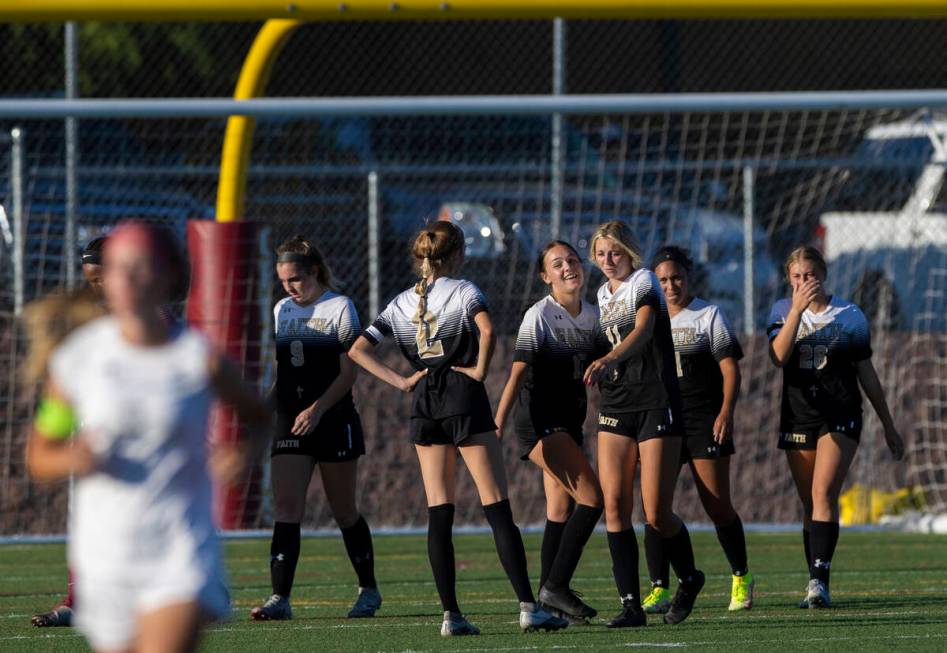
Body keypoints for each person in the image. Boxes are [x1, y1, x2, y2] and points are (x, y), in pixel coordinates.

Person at [25, 222, 270, 653]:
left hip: (179, 549)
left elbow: (260, 416)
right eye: (119, 268)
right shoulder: (78, 358)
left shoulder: (199, 357)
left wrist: (244, 453)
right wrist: (72, 458)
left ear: (169, 275)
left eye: (142, 266)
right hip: (107, 553)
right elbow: (40, 456)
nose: (128, 278)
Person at [348, 221, 567, 636]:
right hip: (462, 395)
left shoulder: (399, 302)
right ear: (458, 254)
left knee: (439, 512)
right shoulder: (466, 290)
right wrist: (481, 371)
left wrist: (401, 381)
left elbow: (358, 349)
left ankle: (451, 615)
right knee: (496, 506)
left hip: (424, 399)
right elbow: (486, 330)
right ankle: (527, 607)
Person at [250, 235, 380, 621]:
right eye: (283, 281)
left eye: (296, 280)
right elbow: (286, 372)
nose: (290, 288)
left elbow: (348, 372)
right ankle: (280, 599)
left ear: (315, 272)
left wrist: (319, 409)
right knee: (287, 508)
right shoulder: (281, 311)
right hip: (290, 421)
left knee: (344, 511)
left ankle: (368, 589)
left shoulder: (339, 307)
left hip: (332, 419)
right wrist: (266, 407)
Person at [767, 245, 904, 608]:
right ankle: (814, 576)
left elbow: (866, 373)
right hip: (798, 416)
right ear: (788, 280)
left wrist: (889, 424)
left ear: (823, 274)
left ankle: (818, 583)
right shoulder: (782, 311)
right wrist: (797, 311)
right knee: (809, 503)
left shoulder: (850, 314)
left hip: (840, 415)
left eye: (810, 275)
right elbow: (778, 356)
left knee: (824, 493)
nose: (804, 282)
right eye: (797, 277)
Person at [583, 221, 704, 628]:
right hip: (617, 402)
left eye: (614, 252)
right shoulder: (601, 294)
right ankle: (631, 605)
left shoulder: (644, 281)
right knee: (614, 506)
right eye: (600, 254)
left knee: (656, 513)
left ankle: (689, 578)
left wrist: (610, 358)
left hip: (655, 400)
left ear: (629, 251)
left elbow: (644, 328)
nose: (607, 261)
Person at [494, 240, 604, 624]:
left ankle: (544, 607)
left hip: (570, 424)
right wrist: (499, 421)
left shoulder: (593, 316)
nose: (568, 267)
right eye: (557, 264)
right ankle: (555, 586)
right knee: (593, 500)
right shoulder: (539, 315)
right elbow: (518, 372)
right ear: (545, 276)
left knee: (560, 510)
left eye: (572, 260)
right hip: (540, 423)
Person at [643, 245, 753, 614]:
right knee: (654, 506)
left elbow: (730, 369)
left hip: (703, 420)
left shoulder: (709, 314)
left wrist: (726, 412)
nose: (671, 285)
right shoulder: (647, 317)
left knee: (717, 505)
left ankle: (741, 576)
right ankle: (658, 586)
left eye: (676, 277)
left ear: (688, 277)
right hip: (661, 422)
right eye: (663, 280)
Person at [31, 235, 109, 629]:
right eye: (90, 279)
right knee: (86, 522)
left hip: (146, 448)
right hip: (92, 442)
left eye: (101, 279)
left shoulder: (157, 325)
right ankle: (77, 601)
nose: (95, 287)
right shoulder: (82, 321)